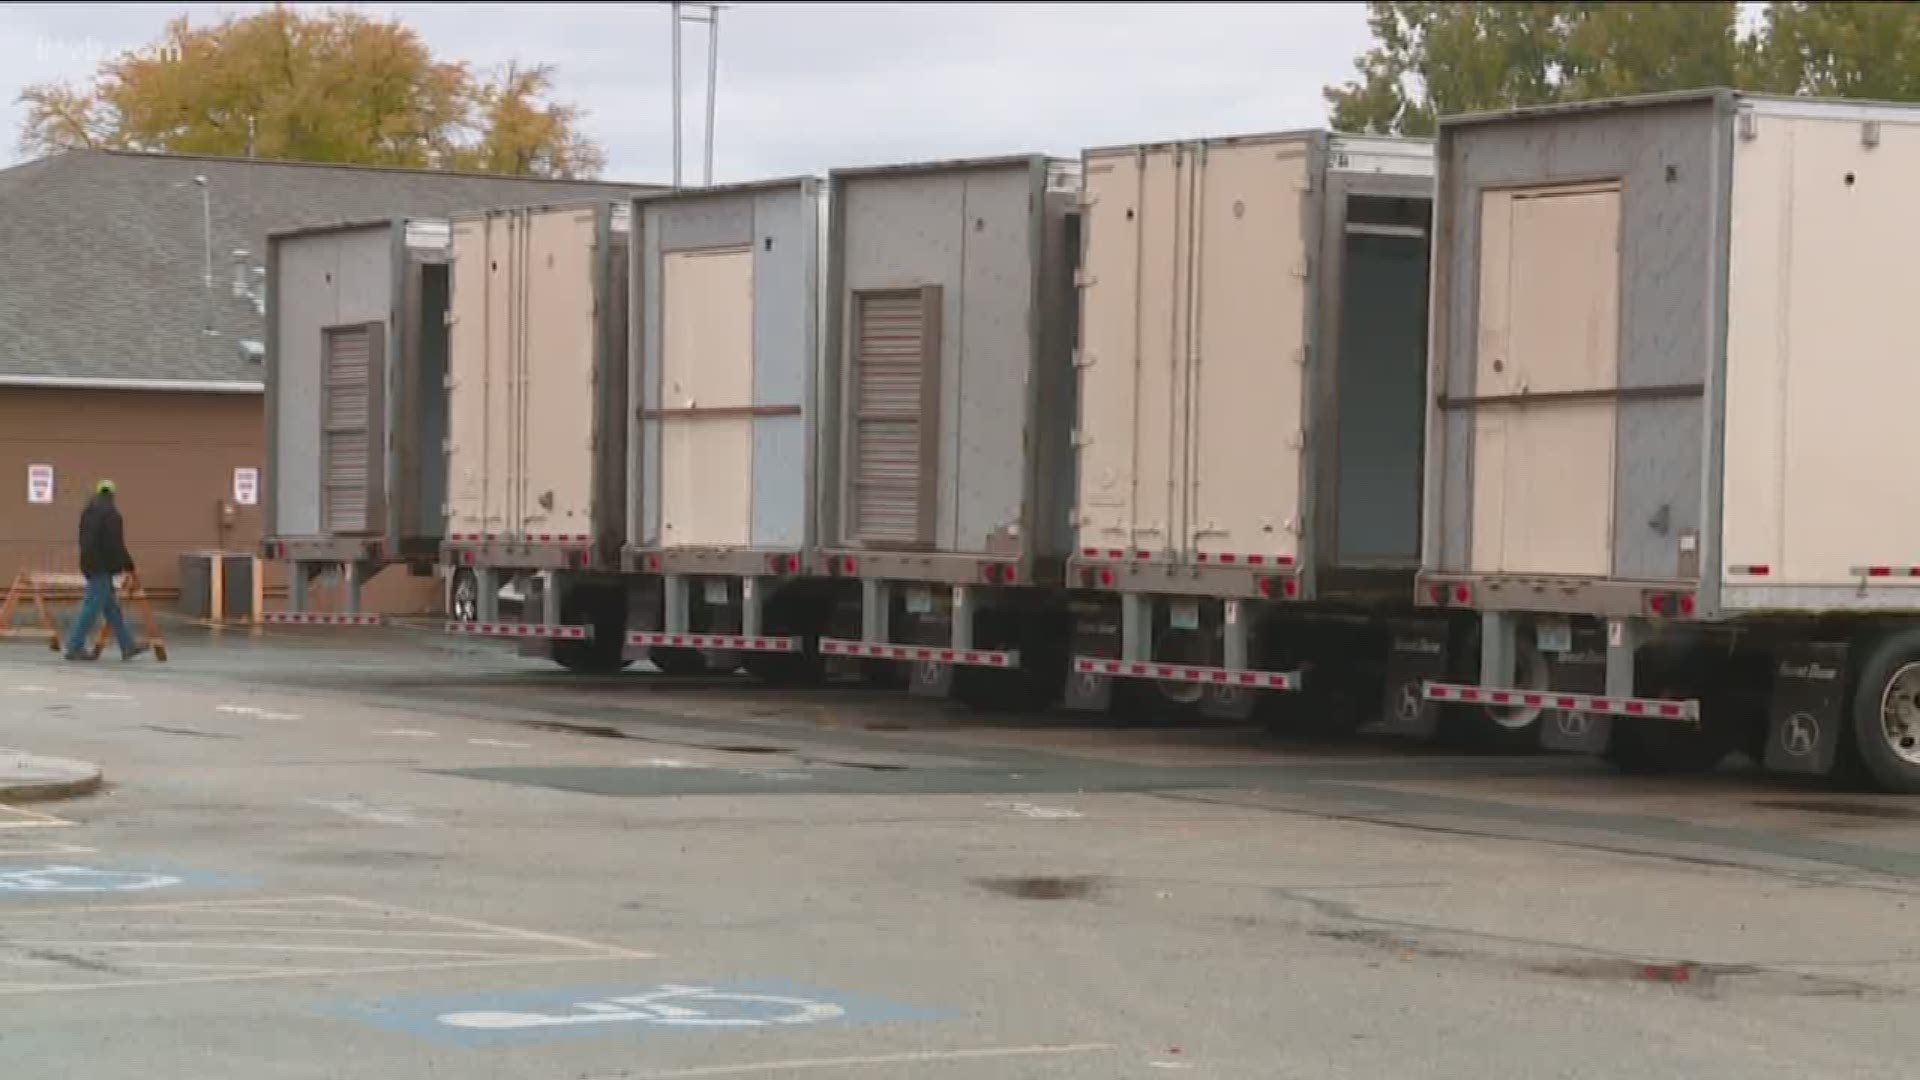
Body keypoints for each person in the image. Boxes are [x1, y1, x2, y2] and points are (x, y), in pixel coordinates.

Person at [65, 480, 147, 662]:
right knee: (91, 607)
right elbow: (115, 544)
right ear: (112, 494)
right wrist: (129, 566)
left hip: (88, 563)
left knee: (111, 608)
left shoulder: (87, 512)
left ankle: (128, 645)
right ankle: (74, 646)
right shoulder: (112, 514)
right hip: (102, 566)